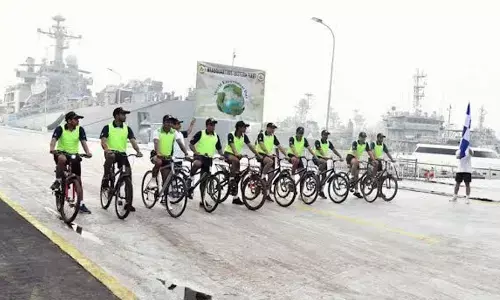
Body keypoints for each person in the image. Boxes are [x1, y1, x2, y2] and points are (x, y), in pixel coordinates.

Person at [100, 107, 143, 211]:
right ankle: (106, 178)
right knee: (111, 157)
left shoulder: (127, 128)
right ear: (116, 116)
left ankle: (128, 203)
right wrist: (107, 149)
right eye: (123, 114)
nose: (125, 116)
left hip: (122, 154)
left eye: (125, 114)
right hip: (111, 153)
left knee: (128, 174)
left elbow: (133, 141)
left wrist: (138, 151)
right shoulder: (108, 127)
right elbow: (103, 141)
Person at [49, 111, 92, 214]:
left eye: (78, 119)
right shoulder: (60, 129)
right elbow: (54, 140)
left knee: (78, 180)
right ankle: (58, 180)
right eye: (76, 119)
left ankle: (81, 204)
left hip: (74, 155)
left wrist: (88, 152)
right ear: (69, 121)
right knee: (62, 159)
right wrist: (52, 149)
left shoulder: (80, 129)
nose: (78, 121)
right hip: (61, 153)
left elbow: (83, 142)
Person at [224, 121, 262, 205]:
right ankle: (231, 179)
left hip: (237, 156)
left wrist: (258, 155)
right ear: (239, 128)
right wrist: (236, 154)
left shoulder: (244, 136)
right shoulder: (231, 135)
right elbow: (232, 145)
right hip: (228, 153)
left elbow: (250, 146)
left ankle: (235, 197)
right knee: (236, 161)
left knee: (238, 176)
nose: (245, 129)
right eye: (244, 127)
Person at [188, 117, 224, 207]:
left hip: (209, 159)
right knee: (197, 163)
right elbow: (191, 144)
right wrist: (195, 152)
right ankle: (190, 177)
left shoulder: (216, 136)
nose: (213, 127)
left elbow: (219, 148)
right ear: (207, 125)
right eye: (211, 125)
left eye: (214, 125)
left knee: (204, 181)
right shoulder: (201, 133)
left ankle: (202, 200)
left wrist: (222, 156)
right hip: (199, 156)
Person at [150, 115, 189, 189]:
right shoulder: (157, 131)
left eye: (171, 122)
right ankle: (153, 179)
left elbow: (180, 143)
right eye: (167, 122)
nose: (169, 124)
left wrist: (186, 153)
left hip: (167, 157)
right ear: (163, 123)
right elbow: (156, 142)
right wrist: (158, 153)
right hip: (157, 156)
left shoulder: (174, 132)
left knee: (166, 181)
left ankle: (164, 198)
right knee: (159, 162)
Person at [255, 122, 287, 201]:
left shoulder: (273, 136)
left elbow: (279, 146)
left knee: (271, 175)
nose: (273, 130)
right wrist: (268, 153)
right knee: (270, 162)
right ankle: (261, 179)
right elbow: (261, 144)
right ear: (268, 128)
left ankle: (267, 193)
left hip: (269, 155)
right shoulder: (261, 135)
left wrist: (286, 155)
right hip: (260, 154)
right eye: (272, 128)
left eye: (274, 128)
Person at [313, 130, 343, 199]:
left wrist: (340, 156)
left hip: (324, 159)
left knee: (324, 176)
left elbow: (334, 150)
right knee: (324, 162)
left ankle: (321, 191)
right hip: (317, 158)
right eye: (324, 135)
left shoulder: (328, 143)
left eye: (327, 135)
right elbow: (320, 151)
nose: (326, 136)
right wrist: (327, 157)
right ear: (321, 135)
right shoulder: (318, 141)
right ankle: (317, 175)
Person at [345, 132, 375, 198]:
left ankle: (356, 191)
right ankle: (351, 177)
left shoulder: (366, 144)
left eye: (364, 137)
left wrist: (373, 160)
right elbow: (354, 151)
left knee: (357, 176)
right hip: (350, 156)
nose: (363, 138)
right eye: (362, 137)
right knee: (355, 164)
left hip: (357, 159)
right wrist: (357, 159)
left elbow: (370, 152)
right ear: (359, 137)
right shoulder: (355, 142)